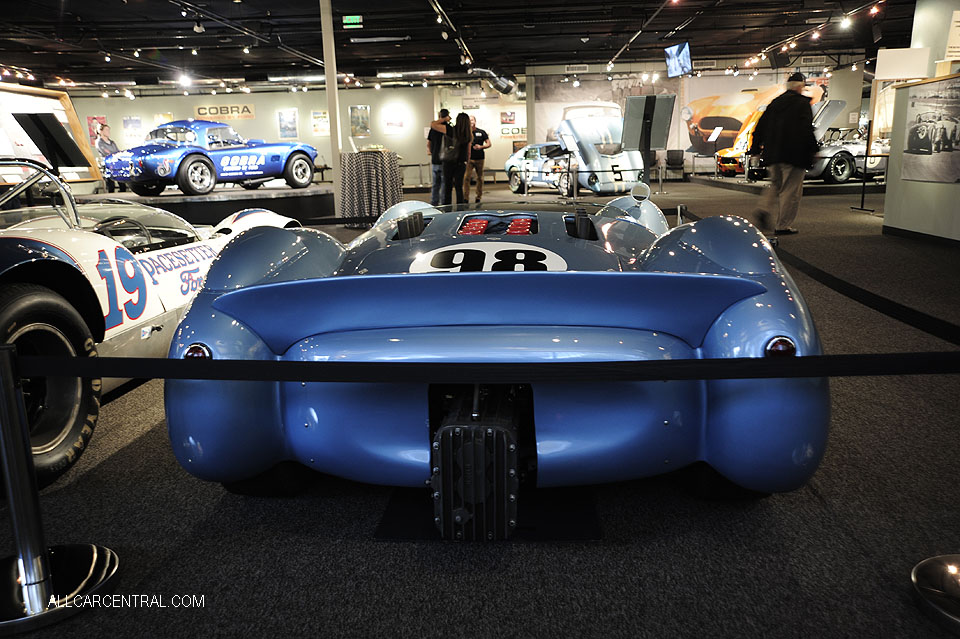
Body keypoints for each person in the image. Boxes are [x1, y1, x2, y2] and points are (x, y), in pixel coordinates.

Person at [747, 72, 818, 235]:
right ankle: (783, 225)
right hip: (794, 156)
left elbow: (759, 128)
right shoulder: (802, 104)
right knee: (790, 191)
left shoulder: (774, 103)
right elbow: (806, 129)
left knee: (775, 185)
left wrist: (756, 150)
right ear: (800, 87)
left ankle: (763, 208)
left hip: (773, 155)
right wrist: (814, 149)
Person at [431, 112, 471, 207]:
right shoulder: (468, 134)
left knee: (448, 187)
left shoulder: (450, 129)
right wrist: (467, 162)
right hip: (461, 163)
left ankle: (447, 208)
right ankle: (460, 208)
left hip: (448, 161)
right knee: (459, 187)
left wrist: (444, 119)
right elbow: (469, 152)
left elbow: (433, 124)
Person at [463, 115, 490, 203]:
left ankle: (478, 196)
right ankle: (465, 197)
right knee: (466, 177)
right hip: (469, 159)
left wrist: (481, 147)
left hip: (480, 158)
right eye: (469, 120)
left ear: (475, 121)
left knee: (480, 178)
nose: (471, 122)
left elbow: (489, 144)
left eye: (472, 120)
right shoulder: (465, 132)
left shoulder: (481, 132)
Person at [426, 109, 450, 206]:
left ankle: (434, 203)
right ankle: (443, 203)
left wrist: (430, 151)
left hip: (435, 159)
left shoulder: (433, 129)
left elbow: (429, 143)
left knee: (435, 184)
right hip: (445, 160)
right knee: (444, 184)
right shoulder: (447, 128)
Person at [95, 124, 126, 193]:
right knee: (111, 185)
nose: (108, 132)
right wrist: (114, 154)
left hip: (116, 163)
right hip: (107, 164)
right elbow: (106, 152)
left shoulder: (112, 142)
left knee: (122, 183)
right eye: (106, 130)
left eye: (109, 130)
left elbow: (117, 151)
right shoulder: (99, 142)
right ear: (101, 131)